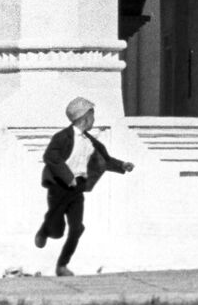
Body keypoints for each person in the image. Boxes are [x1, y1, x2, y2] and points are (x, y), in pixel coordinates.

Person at [34, 97, 135, 276]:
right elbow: (51, 157)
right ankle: (44, 231)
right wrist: (68, 176)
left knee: (77, 228)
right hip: (59, 186)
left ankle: (62, 265)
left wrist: (122, 165)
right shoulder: (62, 137)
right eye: (92, 116)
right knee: (57, 230)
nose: (94, 120)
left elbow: (105, 160)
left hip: (78, 187)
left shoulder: (90, 141)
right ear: (84, 118)